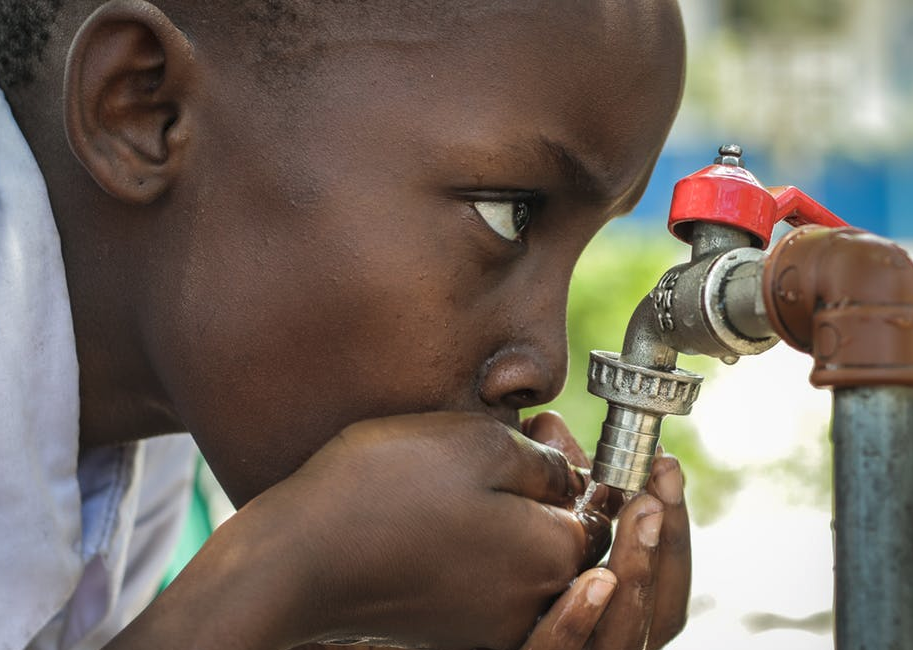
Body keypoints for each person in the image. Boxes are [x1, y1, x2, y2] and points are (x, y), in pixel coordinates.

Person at [0, 1, 691, 648]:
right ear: (143, 110)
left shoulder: (138, 458)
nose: (544, 365)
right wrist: (280, 578)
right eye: (507, 213)